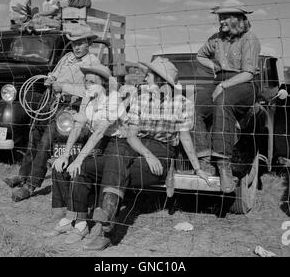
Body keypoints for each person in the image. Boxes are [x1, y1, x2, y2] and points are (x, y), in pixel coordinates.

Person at [78, 58, 210, 251]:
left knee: (114, 165)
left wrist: (197, 168)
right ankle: (100, 221)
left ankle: (104, 226)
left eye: (149, 74)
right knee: (115, 154)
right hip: (137, 145)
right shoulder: (140, 99)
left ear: (159, 80)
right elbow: (131, 136)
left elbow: (185, 137)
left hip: (163, 151)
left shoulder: (182, 103)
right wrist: (147, 154)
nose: (145, 76)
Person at [3, 25, 101, 202]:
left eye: (80, 43)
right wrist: (51, 79)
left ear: (89, 43)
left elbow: (91, 89)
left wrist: (63, 87)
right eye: (74, 43)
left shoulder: (93, 63)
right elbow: (55, 74)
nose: (76, 47)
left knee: (46, 141)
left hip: (68, 107)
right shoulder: (67, 58)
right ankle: (23, 175)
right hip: (50, 102)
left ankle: (30, 185)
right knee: (34, 135)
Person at [46, 64, 129, 245]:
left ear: (104, 84)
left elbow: (100, 132)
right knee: (61, 164)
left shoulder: (113, 99)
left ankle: (81, 224)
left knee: (80, 167)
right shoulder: (89, 98)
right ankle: (70, 219)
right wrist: (66, 154)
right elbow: (78, 126)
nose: (87, 84)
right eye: (85, 80)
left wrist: (79, 158)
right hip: (97, 142)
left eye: (92, 81)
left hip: (116, 145)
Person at [193, 0, 261, 193]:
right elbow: (200, 55)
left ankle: (224, 166)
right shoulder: (216, 38)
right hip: (221, 80)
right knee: (194, 105)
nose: (220, 20)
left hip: (244, 83)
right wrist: (213, 67)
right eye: (220, 17)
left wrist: (223, 85)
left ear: (236, 19)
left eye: (224, 17)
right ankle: (204, 159)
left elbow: (248, 73)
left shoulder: (250, 38)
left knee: (223, 102)